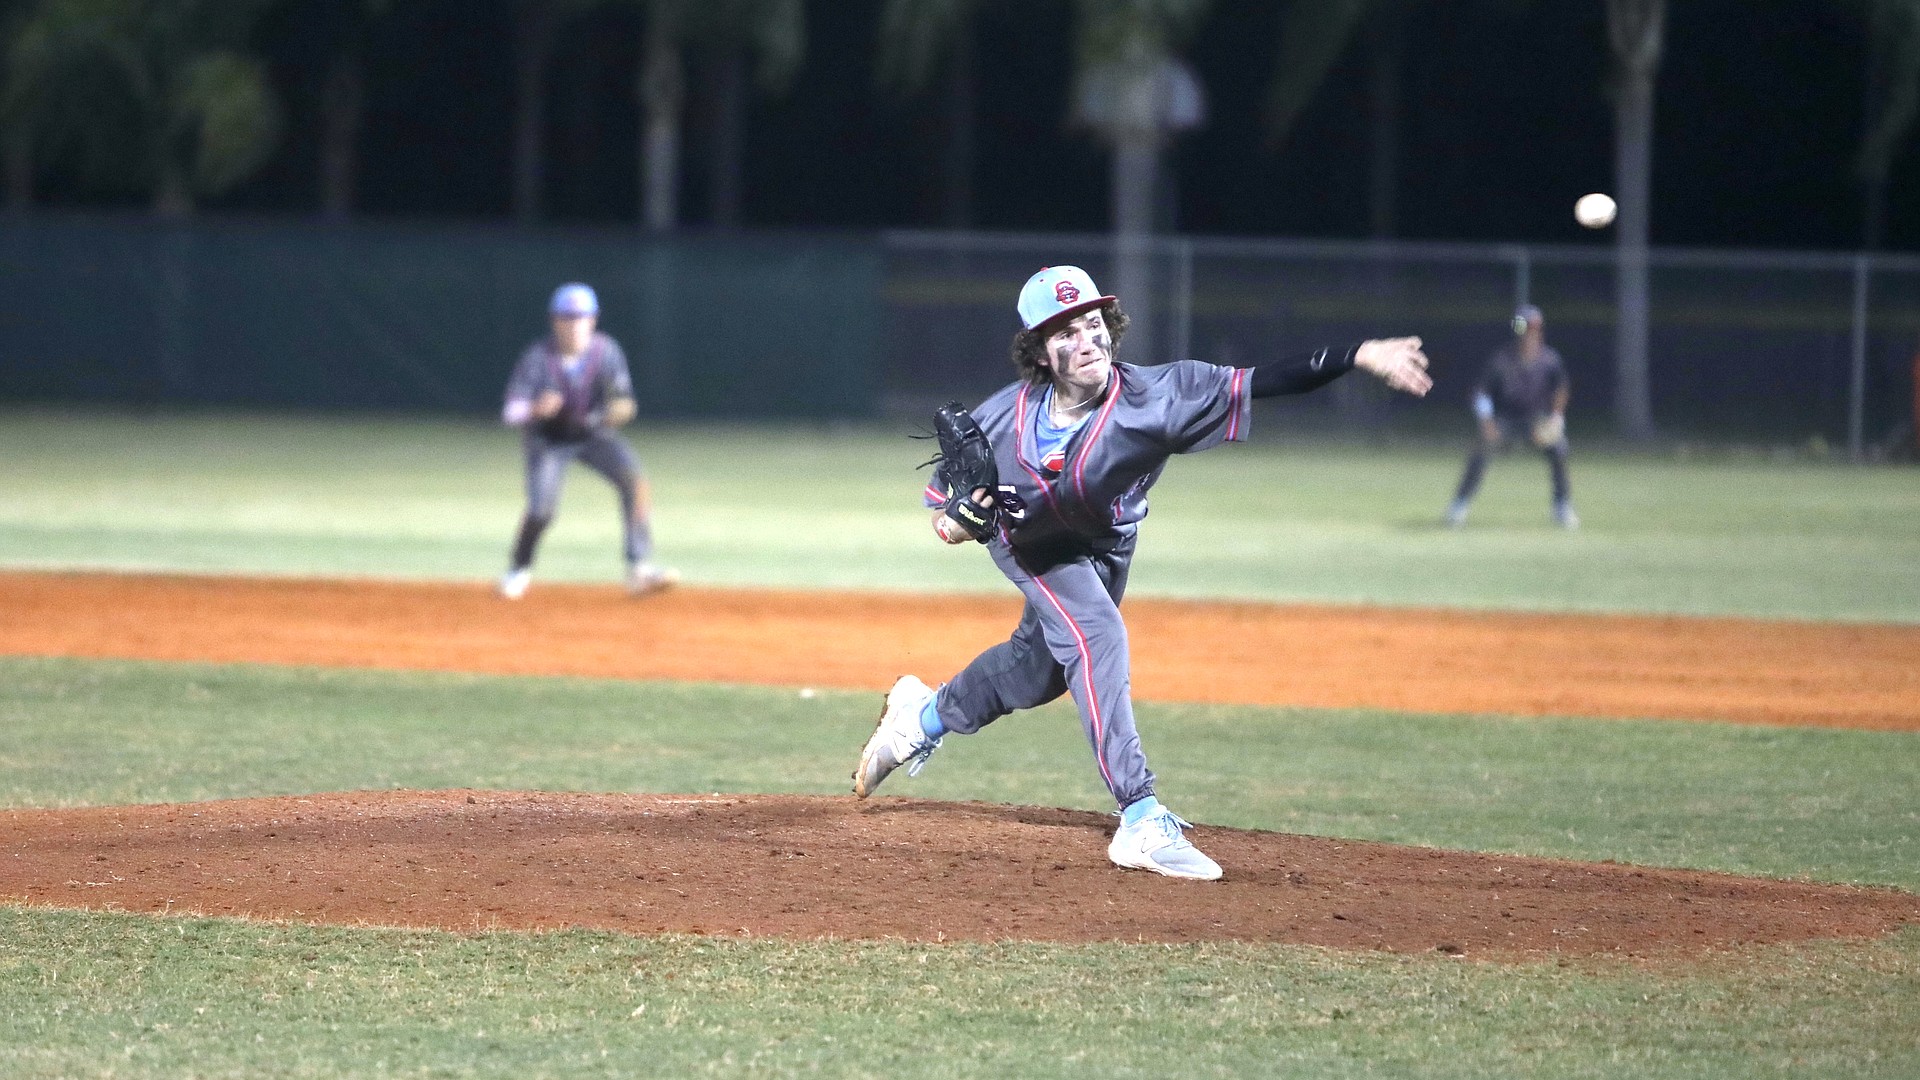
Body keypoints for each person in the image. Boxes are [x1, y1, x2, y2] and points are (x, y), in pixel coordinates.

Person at [852, 265, 1431, 880]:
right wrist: (962, 524)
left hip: (1108, 547)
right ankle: (1140, 816)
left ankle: (919, 718)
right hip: (1034, 545)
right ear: (1039, 353)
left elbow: (1267, 380)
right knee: (1098, 634)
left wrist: (1357, 354)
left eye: (1094, 323)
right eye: (1066, 332)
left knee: (1037, 672)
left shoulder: (1158, 397)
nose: (1088, 340)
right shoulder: (999, 422)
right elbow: (944, 517)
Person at [497, 282, 676, 599]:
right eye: (567, 317)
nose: (574, 324)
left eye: (581, 317)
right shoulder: (538, 358)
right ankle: (518, 569)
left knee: (635, 483)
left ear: (593, 320)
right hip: (548, 440)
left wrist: (615, 413)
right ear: (555, 321)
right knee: (541, 510)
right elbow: (510, 411)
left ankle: (639, 570)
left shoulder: (606, 351)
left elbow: (625, 402)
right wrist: (535, 408)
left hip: (592, 434)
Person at [1444, 304, 1577, 529]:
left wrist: (1556, 418)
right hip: (1505, 420)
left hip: (1536, 420)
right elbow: (1482, 393)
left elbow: (1561, 389)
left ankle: (1562, 506)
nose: (1528, 335)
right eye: (1523, 328)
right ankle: (1459, 504)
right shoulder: (1501, 360)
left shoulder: (1549, 360)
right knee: (1481, 449)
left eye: (1532, 328)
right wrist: (1486, 422)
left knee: (1559, 448)